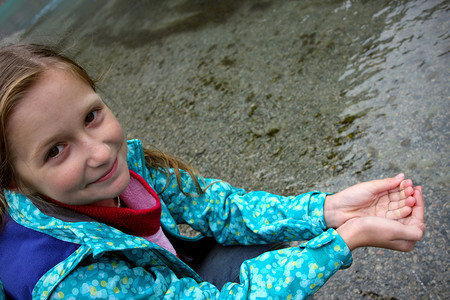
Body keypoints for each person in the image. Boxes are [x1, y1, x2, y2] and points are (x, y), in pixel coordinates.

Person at [0, 44, 425, 299]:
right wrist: (343, 242)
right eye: (56, 150)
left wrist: (329, 212)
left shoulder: (122, 163)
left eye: (91, 116)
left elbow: (223, 208)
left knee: (256, 248)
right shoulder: (67, 280)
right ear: (13, 180)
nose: (98, 152)